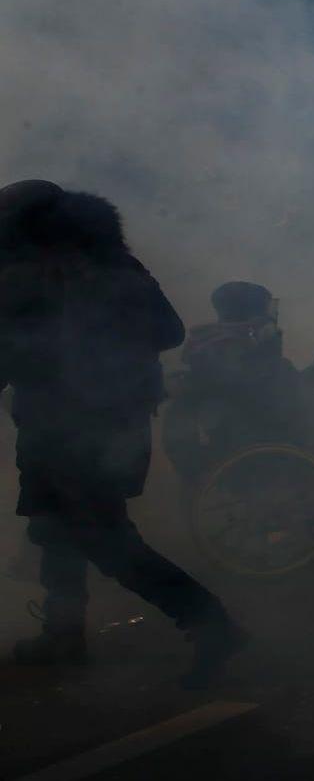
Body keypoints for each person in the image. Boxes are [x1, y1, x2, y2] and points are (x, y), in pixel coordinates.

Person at [0, 179, 244, 687]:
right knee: (55, 531)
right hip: (103, 425)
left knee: (103, 539)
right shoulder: (115, 262)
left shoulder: (30, 275)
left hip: (71, 429)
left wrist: (78, 348)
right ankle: (64, 636)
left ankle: (209, 622)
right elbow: (168, 331)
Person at [162, 281, 314, 480]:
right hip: (275, 463)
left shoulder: (206, 352)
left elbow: (262, 388)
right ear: (256, 318)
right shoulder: (248, 355)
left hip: (226, 463)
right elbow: (283, 396)